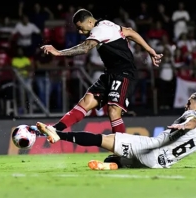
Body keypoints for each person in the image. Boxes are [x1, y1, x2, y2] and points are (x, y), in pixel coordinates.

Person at [33, 9, 163, 136]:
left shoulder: (99, 30)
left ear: (90, 22)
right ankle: (54, 130)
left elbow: (85, 48)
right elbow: (130, 32)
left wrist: (58, 52)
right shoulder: (107, 24)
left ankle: (123, 151)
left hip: (124, 73)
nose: (79, 31)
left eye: (80, 27)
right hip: (110, 73)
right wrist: (150, 50)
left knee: (113, 111)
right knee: (86, 102)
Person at [36, 92, 196, 169]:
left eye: (189, 102)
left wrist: (183, 126)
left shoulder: (191, 115)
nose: (186, 105)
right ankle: (111, 166)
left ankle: (58, 135)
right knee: (113, 159)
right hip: (158, 164)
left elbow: (192, 122)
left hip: (148, 148)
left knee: (103, 139)